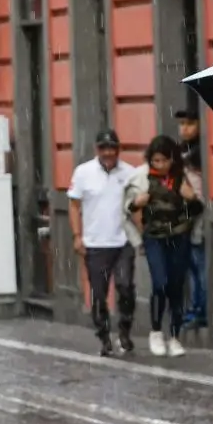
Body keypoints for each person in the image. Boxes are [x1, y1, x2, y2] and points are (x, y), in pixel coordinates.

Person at [126, 135, 200, 357]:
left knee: (176, 286)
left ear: (172, 159)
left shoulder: (182, 177)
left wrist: (191, 199)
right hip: (154, 238)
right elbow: (128, 207)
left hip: (178, 236)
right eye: (155, 161)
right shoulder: (142, 176)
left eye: (164, 161)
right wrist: (136, 204)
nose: (160, 165)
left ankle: (175, 337)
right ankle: (156, 332)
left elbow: (197, 210)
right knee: (160, 283)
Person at [69, 130, 138, 356]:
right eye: (103, 148)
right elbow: (74, 205)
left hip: (123, 241)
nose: (108, 153)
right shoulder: (83, 172)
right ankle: (104, 337)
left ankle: (125, 331)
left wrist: (142, 235)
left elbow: (138, 206)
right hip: (95, 243)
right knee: (99, 294)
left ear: (119, 149)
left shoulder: (130, 173)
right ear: (96, 149)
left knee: (126, 287)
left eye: (112, 148)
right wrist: (77, 236)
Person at [176, 108, 208, 328]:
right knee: (192, 265)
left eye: (190, 124)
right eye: (182, 124)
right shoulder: (183, 150)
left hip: (199, 213)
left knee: (198, 265)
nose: (184, 129)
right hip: (187, 214)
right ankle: (195, 308)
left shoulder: (199, 153)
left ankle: (200, 310)